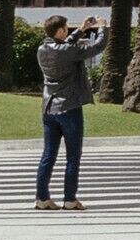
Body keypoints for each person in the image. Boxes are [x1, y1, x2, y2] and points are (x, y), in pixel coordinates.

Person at [32, 17, 105, 209]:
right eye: (65, 28)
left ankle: (42, 198)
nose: (67, 30)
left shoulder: (42, 50)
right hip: (69, 107)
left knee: (48, 154)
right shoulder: (66, 51)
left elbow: (64, 48)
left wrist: (82, 29)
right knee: (73, 156)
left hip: (49, 109)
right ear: (60, 31)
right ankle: (70, 199)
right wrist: (102, 28)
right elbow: (96, 47)